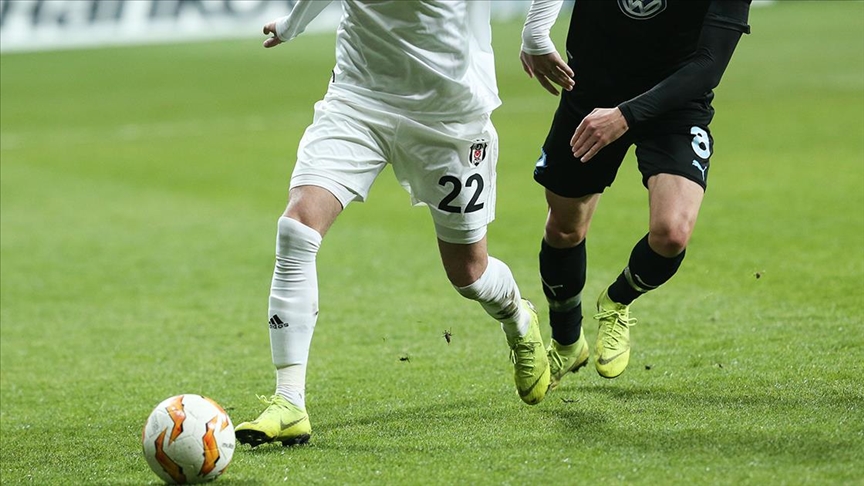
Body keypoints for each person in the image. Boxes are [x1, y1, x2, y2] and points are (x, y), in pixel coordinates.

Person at [235, 0, 551, 448]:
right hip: (359, 99)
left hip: (449, 119)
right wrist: (291, 24)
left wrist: (536, 33)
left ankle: (518, 316)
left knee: (469, 274)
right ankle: (289, 402)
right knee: (297, 228)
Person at [519, 0, 751, 386]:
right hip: (593, 88)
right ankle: (567, 341)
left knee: (672, 233)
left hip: (674, 100)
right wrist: (534, 32)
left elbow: (709, 64)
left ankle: (617, 301)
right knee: (564, 228)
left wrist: (626, 115)